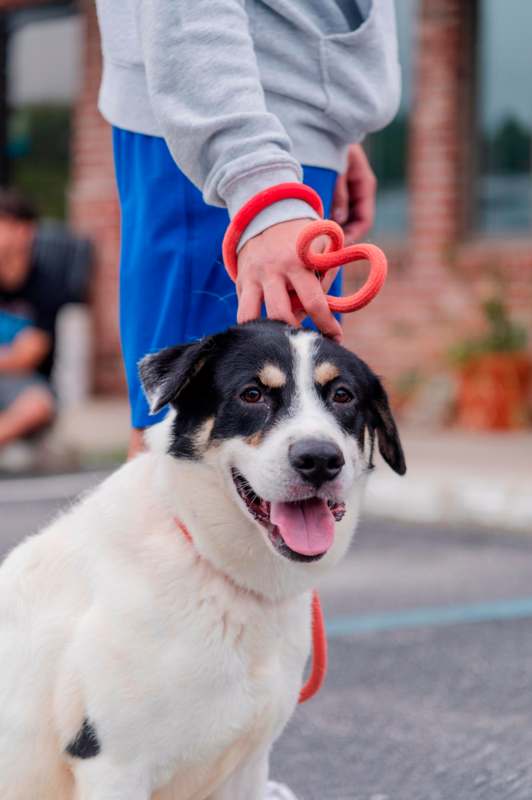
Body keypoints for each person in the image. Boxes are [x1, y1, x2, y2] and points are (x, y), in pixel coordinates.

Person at [95, 2, 399, 795]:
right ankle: (156, 770)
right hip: (230, 126)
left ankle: (215, 773)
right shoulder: (243, 152)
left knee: (224, 481)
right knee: (180, 464)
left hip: (275, 119)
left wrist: (334, 126)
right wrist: (260, 179)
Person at [0, 189, 92, 454]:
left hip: (27, 383)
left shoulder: (47, 285)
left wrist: (15, 357)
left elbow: (27, 357)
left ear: (24, 231)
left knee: (37, 405)